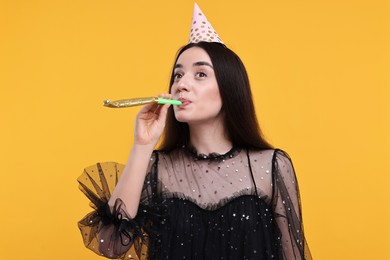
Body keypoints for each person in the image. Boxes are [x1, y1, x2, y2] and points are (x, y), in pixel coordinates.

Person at [78, 4, 311, 260]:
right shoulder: (157, 168)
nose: (182, 85)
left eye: (200, 74)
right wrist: (142, 145)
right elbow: (109, 244)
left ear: (229, 88)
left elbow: (293, 256)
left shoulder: (271, 165)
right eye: (178, 75)